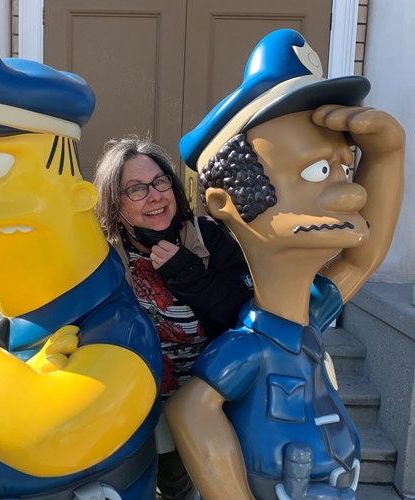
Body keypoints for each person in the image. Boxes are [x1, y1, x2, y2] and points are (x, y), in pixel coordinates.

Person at [0, 135, 254, 500]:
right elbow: (12, 256)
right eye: (136, 189)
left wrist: (188, 274)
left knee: (185, 486)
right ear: (114, 202)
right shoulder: (95, 242)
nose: (155, 196)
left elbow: (243, 311)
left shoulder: (206, 237)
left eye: (160, 182)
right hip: (116, 396)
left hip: (194, 396)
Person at [165, 29, 405, 500]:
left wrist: (388, 154)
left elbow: (363, 256)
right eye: (316, 171)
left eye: (344, 168)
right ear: (225, 202)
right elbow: (190, 412)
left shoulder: (310, 315)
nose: (352, 192)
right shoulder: (247, 348)